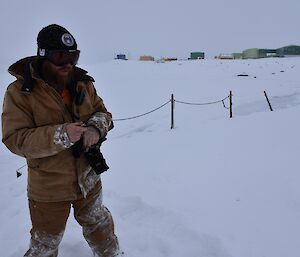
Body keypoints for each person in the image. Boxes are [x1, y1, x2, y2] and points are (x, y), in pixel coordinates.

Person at [2, 24, 120, 257]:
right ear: (42, 56)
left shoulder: (83, 83)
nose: (68, 63)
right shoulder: (19, 93)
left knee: (101, 228)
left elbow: (103, 113)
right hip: (49, 188)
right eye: (60, 56)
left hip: (88, 179)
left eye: (73, 56)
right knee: (44, 244)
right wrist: (62, 134)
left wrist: (96, 128)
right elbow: (15, 138)